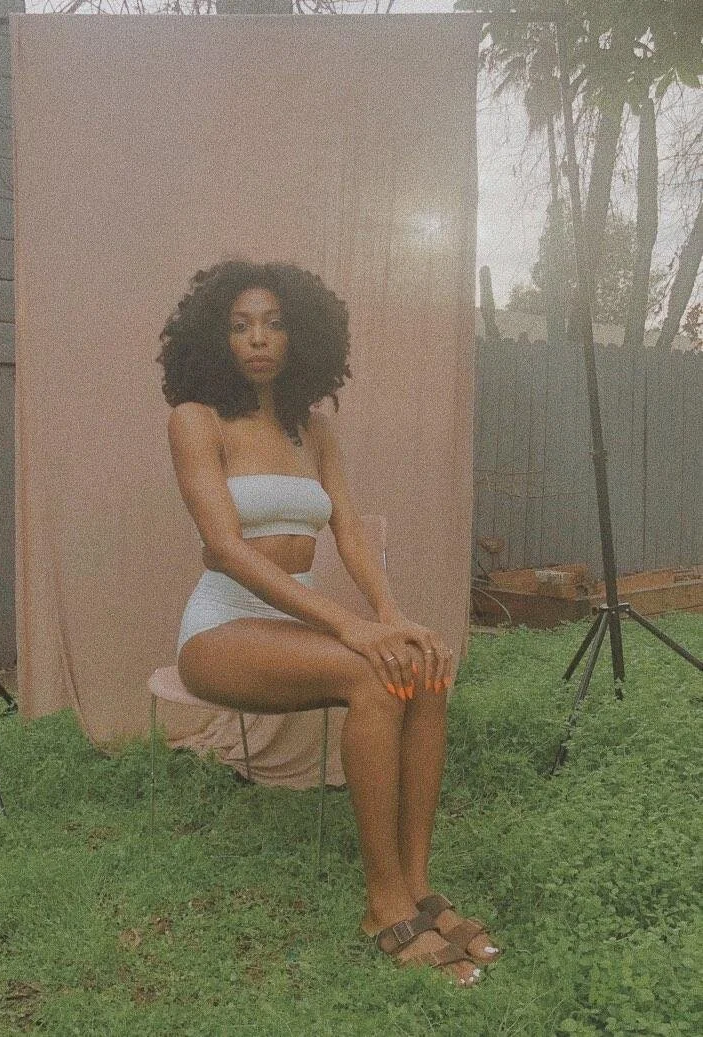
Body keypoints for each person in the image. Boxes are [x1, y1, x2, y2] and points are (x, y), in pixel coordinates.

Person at [156, 260, 499, 986]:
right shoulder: (196, 420)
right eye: (241, 324)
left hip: (299, 626)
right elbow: (225, 546)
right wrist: (352, 629)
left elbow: (347, 534)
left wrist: (390, 616)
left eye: (275, 323)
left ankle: (417, 883)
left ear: (301, 335)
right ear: (215, 337)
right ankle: (383, 905)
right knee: (368, 674)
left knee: (423, 666)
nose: (258, 339)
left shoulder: (313, 430)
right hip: (222, 630)